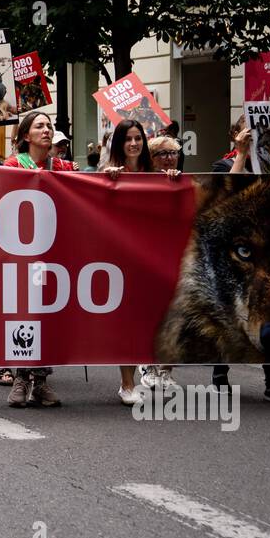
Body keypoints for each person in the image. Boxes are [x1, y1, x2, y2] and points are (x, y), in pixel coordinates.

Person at [210, 121, 270, 405]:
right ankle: (220, 377)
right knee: (231, 314)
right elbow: (228, 194)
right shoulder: (222, 165)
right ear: (234, 135)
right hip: (238, 254)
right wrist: (240, 153)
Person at [102, 120, 181, 403]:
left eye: (138, 139)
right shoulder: (109, 173)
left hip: (149, 257)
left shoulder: (154, 175)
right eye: (128, 139)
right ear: (119, 144)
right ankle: (127, 384)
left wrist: (172, 181)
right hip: (121, 259)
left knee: (151, 319)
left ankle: (155, 369)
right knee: (127, 321)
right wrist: (107, 181)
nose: (134, 144)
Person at [2, 111, 75, 407]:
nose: (46, 131)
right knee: (24, 312)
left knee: (49, 313)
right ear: (25, 136)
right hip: (22, 250)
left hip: (56, 250)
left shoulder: (65, 167)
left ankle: (42, 381)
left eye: (49, 126)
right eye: (39, 126)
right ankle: (21, 376)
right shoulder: (11, 166)